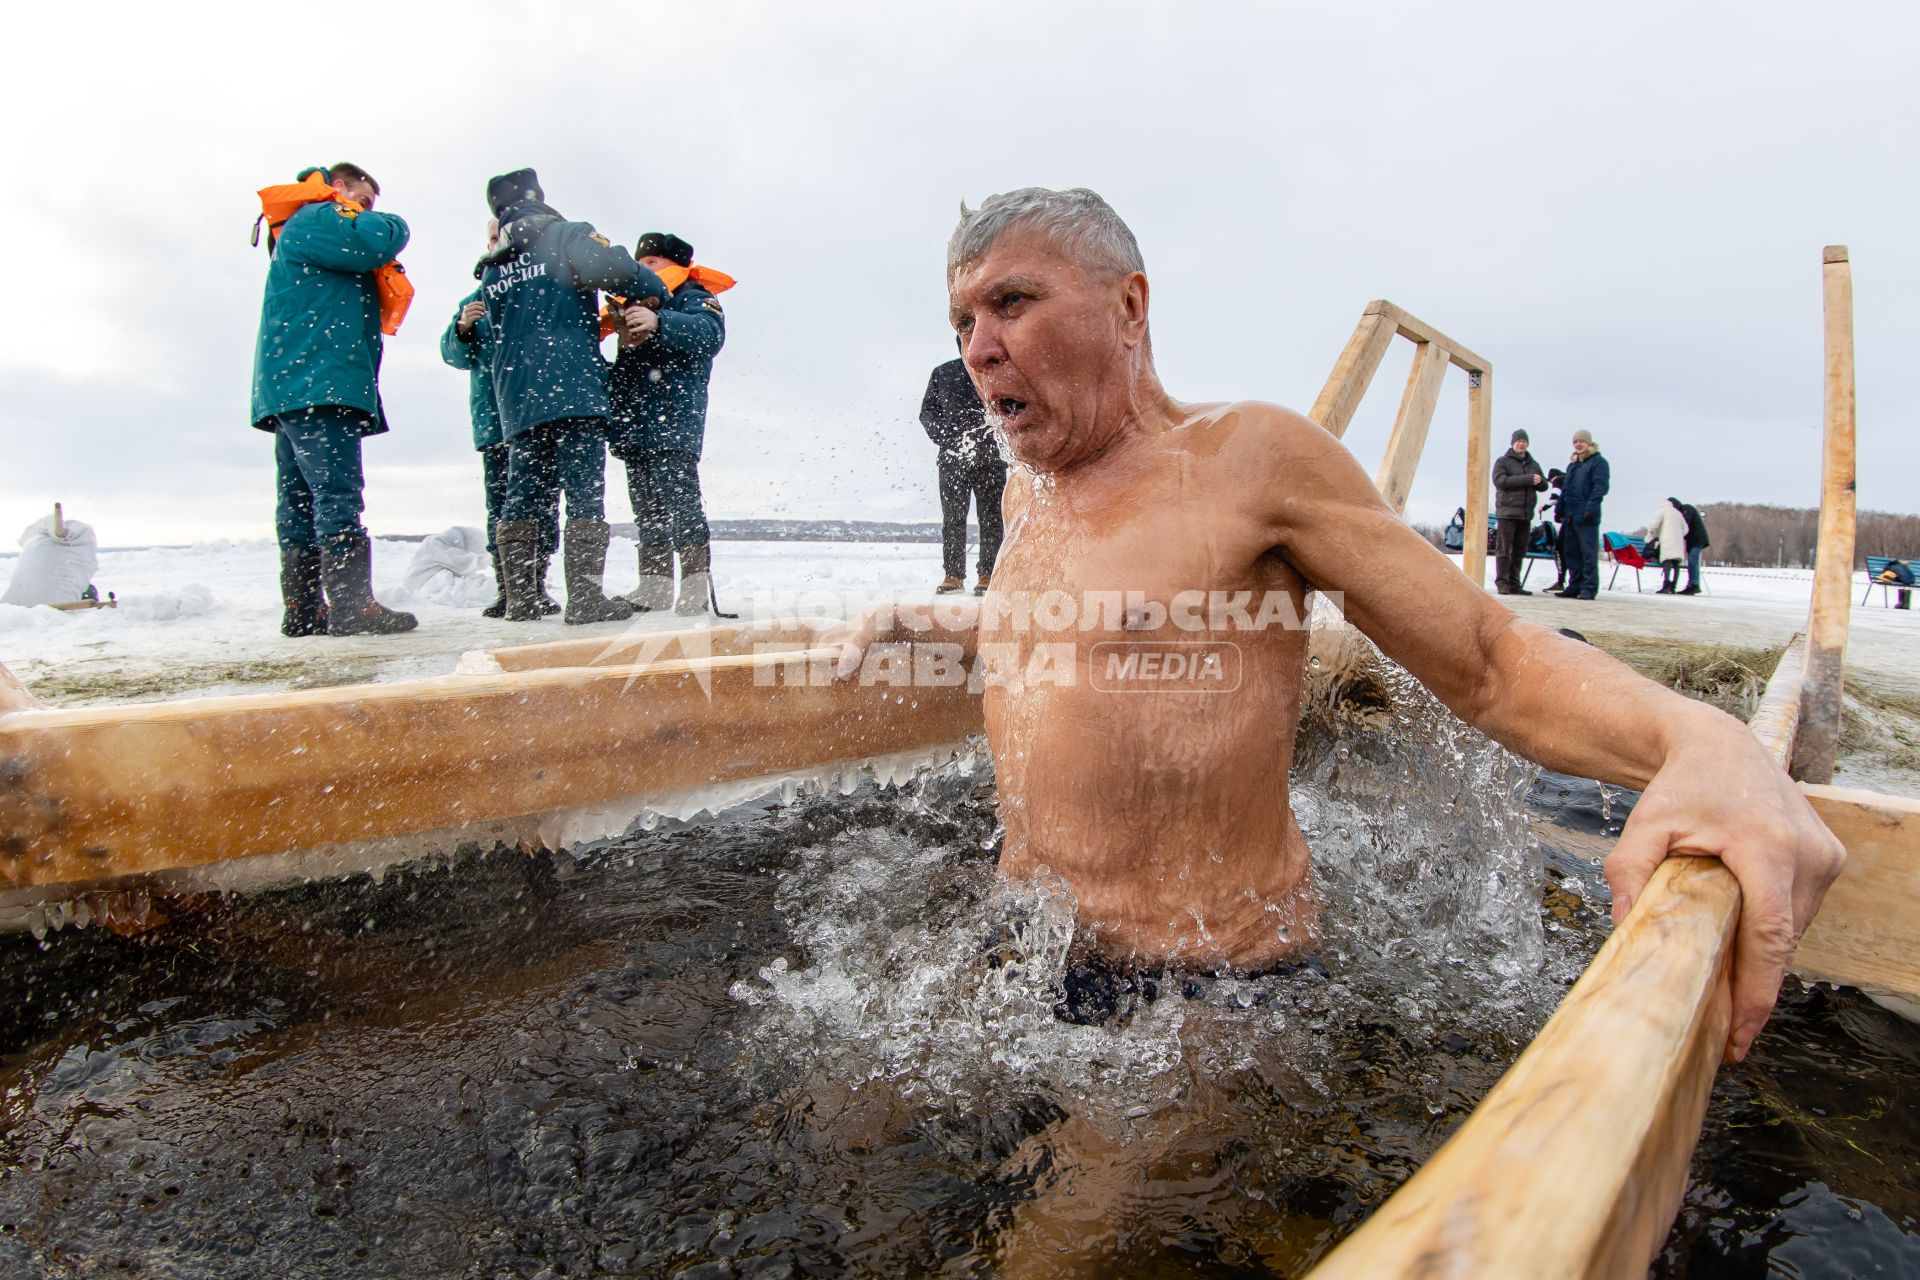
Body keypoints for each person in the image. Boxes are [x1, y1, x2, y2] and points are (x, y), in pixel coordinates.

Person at [828, 186, 1841, 1070]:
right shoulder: (1028, 499)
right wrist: (916, 617)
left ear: (1129, 306)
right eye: (963, 318)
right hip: (1029, 941)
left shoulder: (1250, 458)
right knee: (842, 1128)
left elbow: (1488, 661)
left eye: (1012, 301)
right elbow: (1061, 627)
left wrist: (1699, 739)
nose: (978, 346)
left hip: (1200, 984)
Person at [478, 169, 667, 624]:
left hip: (517, 398)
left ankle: (520, 599)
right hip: (571, 389)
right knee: (584, 490)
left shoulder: (491, 264)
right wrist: (653, 290)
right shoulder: (565, 235)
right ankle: (584, 600)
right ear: (540, 199)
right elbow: (621, 272)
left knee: (523, 493)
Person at [250, 162, 418, 637]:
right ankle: (351, 608)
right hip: (320, 383)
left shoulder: (299, 229)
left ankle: (304, 610)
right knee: (337, 494)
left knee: (300, 500)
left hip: (292, 387)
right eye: (363, 200)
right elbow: (376, 240)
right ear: (339, 187)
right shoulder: (319, 215)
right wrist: (392, 223)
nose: (367, 211)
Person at [607, 232, 734, 616]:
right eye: (639, 264)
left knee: (681, 506)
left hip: (672, 420)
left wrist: (660, 321)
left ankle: (694, 587)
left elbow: (711, 335)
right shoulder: (632, 304)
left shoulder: (693, 296)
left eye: (651, 263)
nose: (642, 270)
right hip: (636, 425)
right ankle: (655, 587)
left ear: (674, 265)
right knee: (647, 510)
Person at [439, 222, 558, 618]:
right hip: (495, 422)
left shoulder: (536, 290)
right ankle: (509, 588)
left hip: (536, 416)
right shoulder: (474, 300)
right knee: (501, 505)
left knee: (542, 503)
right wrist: (462, 328)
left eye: (501, 237)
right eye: (490, 237)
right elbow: (453, 355)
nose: (495, 244)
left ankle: (535, 585)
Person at [920, 345, 1007, 594]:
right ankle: (953, 575)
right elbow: (928, 414)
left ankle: (987, 575)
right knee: (953, 519)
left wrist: (1003, 441)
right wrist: (949, 439)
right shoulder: (943, 373)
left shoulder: (995, 374)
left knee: (991, 519)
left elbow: (1011, 409)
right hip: (952, 461)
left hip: (992, 461)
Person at [1554, 429, 1609, 600]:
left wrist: (1591, 508)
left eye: (1581, 441)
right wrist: (1559, 509)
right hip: (1570, 515)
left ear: (1589, 443)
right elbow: (1566, 489)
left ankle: (1589, 587)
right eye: (1575, 442)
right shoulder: (1573, 465)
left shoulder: (1598, 462)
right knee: (1571, 552)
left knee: (1587, 553)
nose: (1578, 444)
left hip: (1587, 516)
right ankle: (1574, 585)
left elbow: (1600, 487)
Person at [1491, 428, 1547, 594]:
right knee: (1504, 548)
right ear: (1513, 443)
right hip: (1507, 512)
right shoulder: (1503, 461)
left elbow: (1544, 485)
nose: (1521, 444)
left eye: (1524, 441)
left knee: (1519, 550)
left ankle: (1515, 583)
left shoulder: (1533, 464)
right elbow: (1499, 480)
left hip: (1525, 514)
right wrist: (1528, 479)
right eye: (1519, 441)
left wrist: (1539, 482)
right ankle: (1502, 582)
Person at [1648, 497, 1688, 594]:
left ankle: (1666, 585)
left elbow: (1654, 525)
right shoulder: (1678, 513)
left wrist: (1649, 536)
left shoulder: (1663, 510)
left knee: (1667, 561)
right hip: (1678, 541)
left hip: (1667, 539)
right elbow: (1686, 529)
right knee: (1676, 563)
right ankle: (1673, 587)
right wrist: (1679, 534)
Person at [1676, 498, 1711, 595]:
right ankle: (1691, 585)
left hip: (1698, 540)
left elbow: (1685, 523)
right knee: (1691, 562)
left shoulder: (1687, 509)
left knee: (1693, 561)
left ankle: (1694, 585)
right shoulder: (1683, 512)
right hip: (1692, 541)